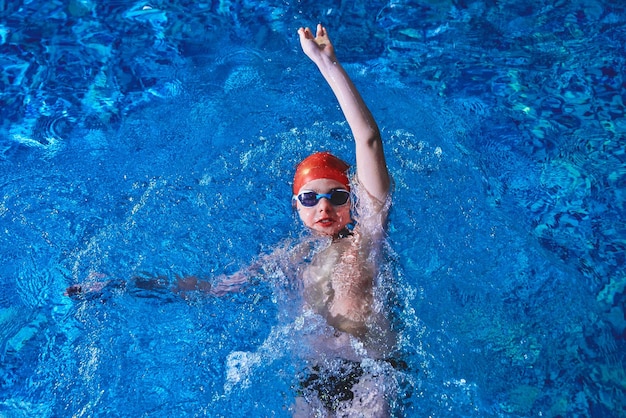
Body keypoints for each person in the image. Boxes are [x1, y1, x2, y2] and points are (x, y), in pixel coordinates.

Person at [66, 24, 396, 416]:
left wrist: (327, 64)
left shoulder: (366, 240)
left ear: (354, 201)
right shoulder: (285, 259)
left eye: (337, 196)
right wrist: (123, 286)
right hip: (314, 377)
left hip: (372, 372)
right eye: (310, 197)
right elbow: (208, 288)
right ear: (296, 206)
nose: (324, 207)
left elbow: (368, 140)